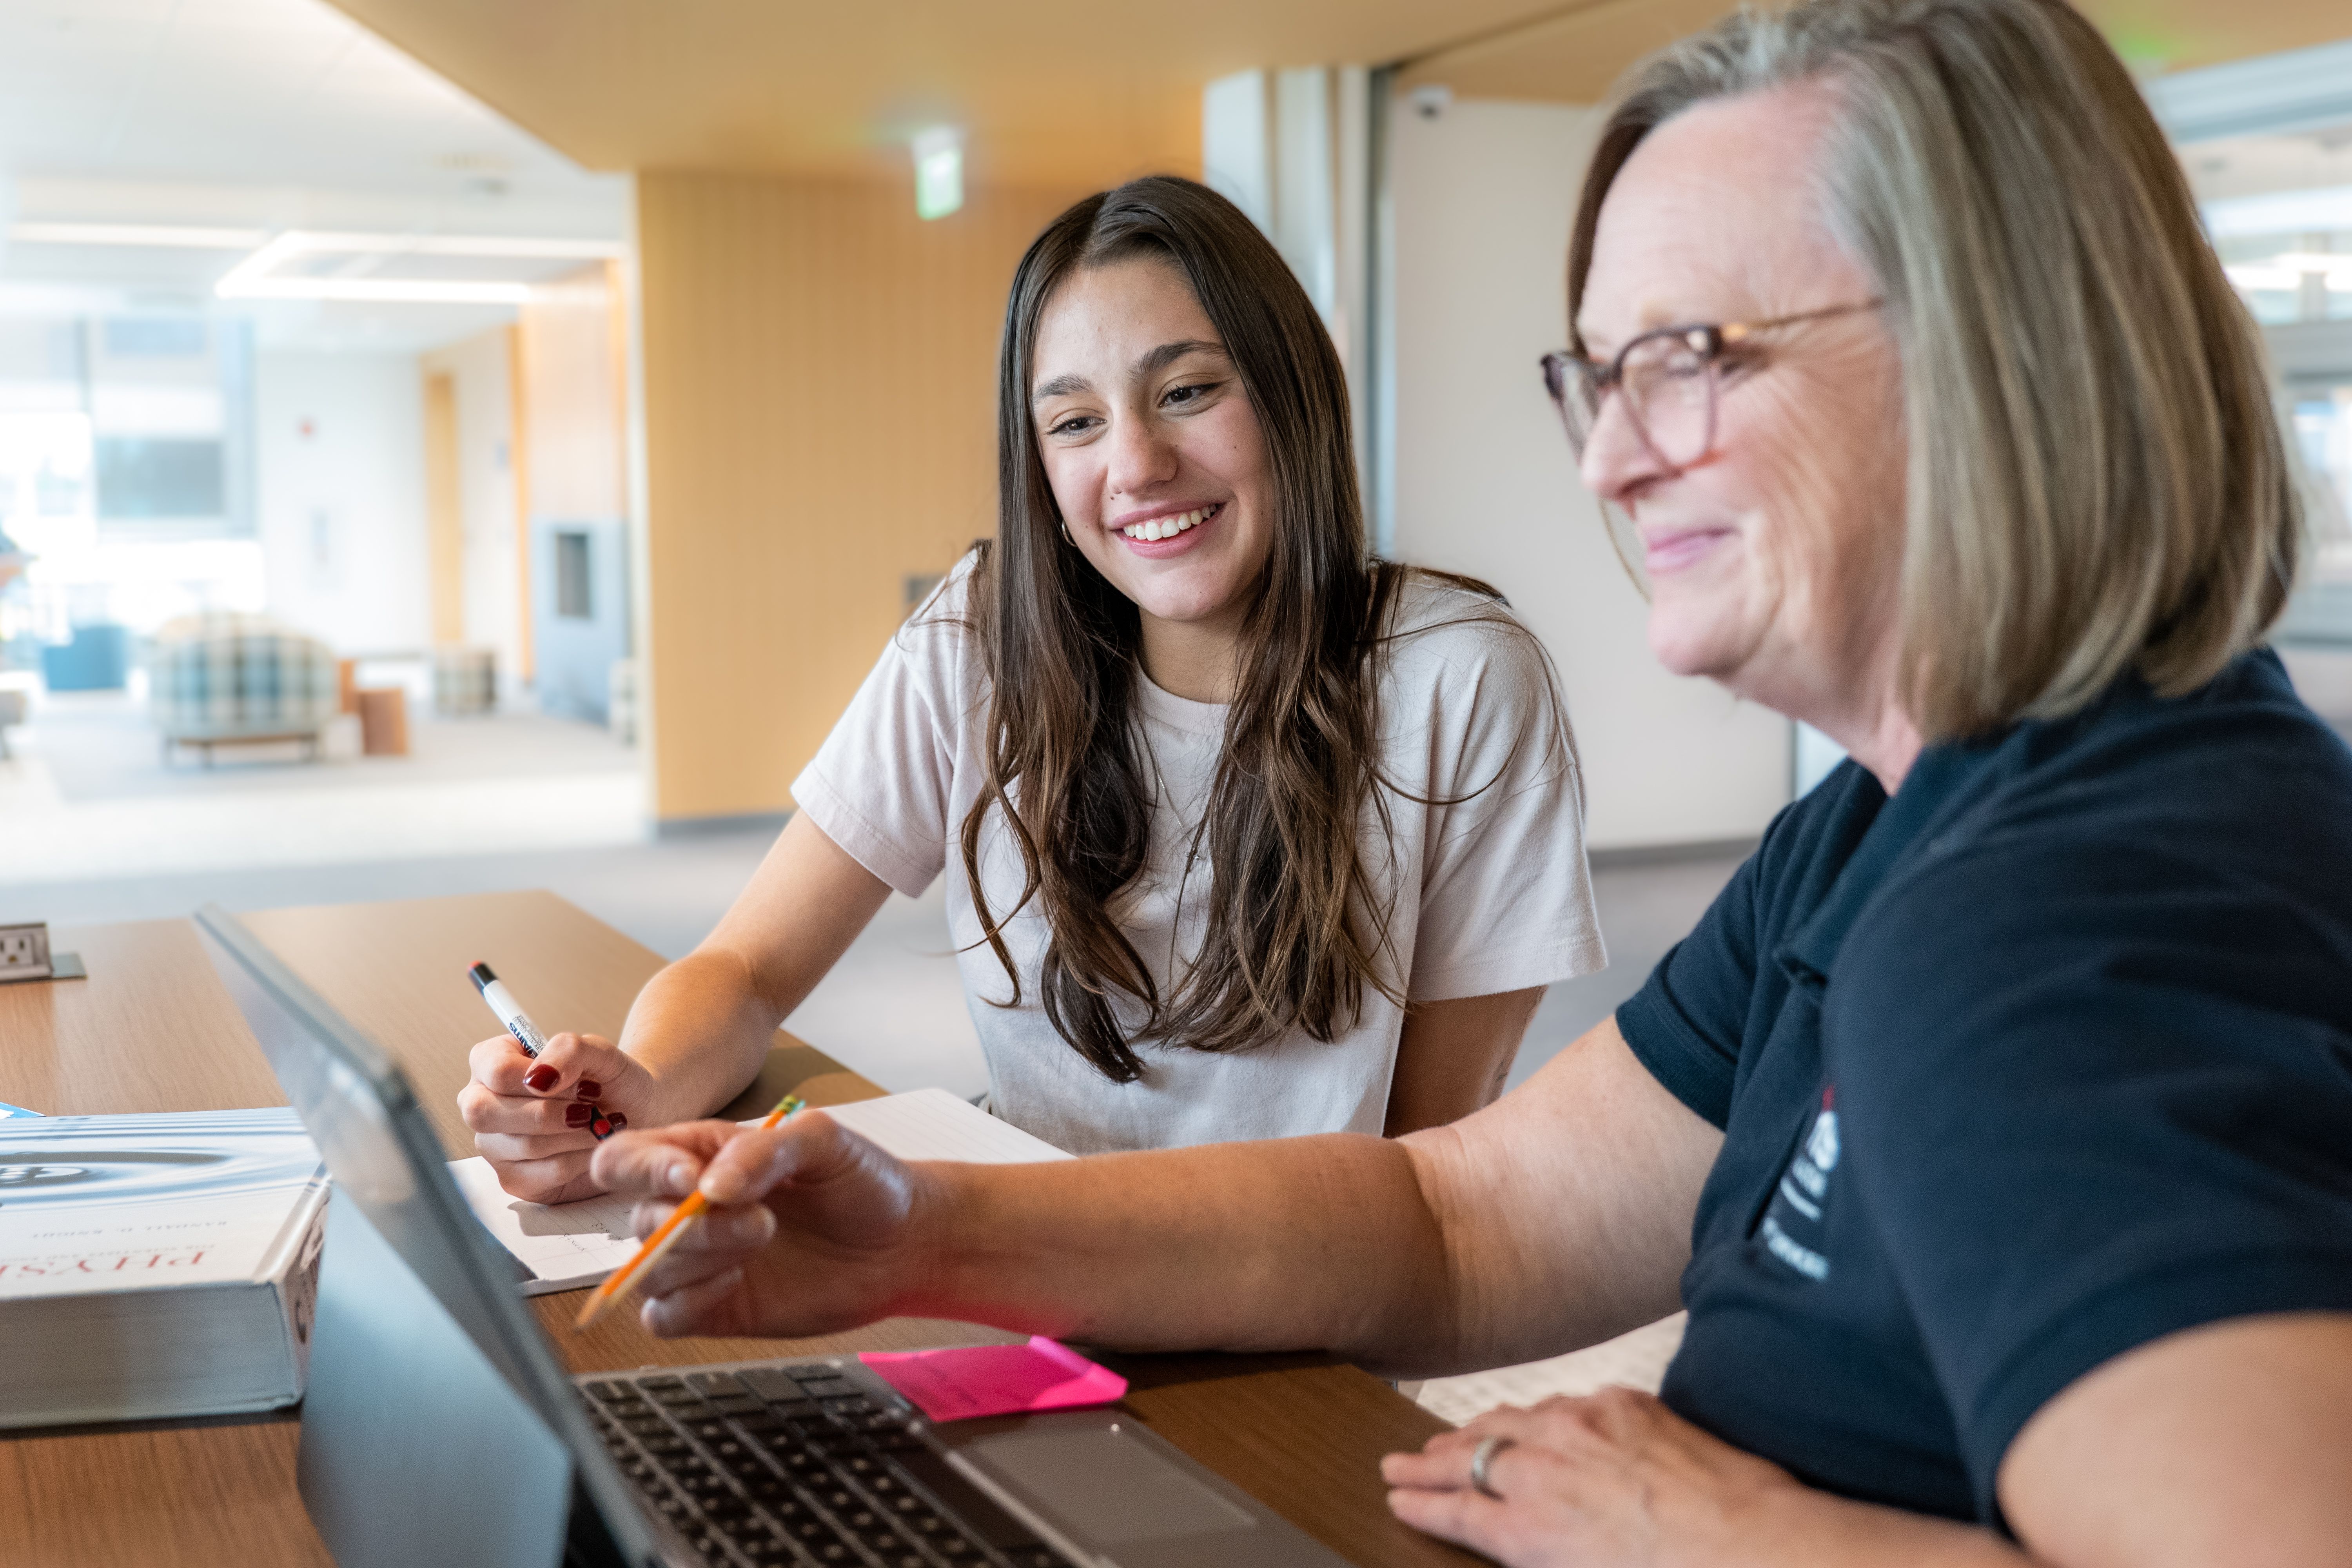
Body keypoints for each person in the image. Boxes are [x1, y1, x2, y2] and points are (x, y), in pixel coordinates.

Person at [589, 0, 2352, 1561]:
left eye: (1690, 355)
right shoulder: (1877, 838)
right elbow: (1455, 1211)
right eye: (1596, 371)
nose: (1607, 452)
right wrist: (922, 1230)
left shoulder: (2088, 914)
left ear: (2000, 347)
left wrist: (1727, 1532)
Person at [463, 177, 1603, 1200]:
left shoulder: (1458, 677)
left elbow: (1430, 1177)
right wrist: (638, 1087)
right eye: (1074, 423)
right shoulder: (980, 639)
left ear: (1293, 392)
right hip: (1011, 1262)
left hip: (1294, 1297)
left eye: (1191, 391)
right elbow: (747, 968)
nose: (1137, 464)